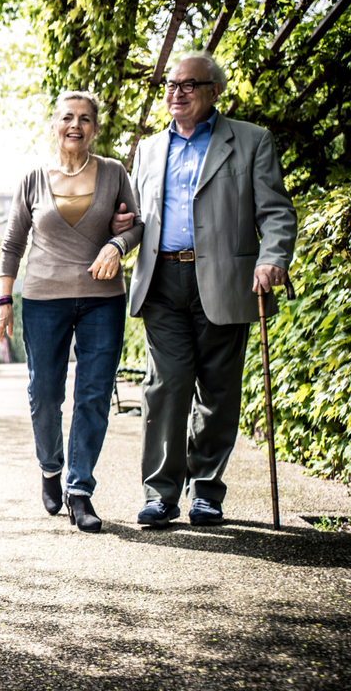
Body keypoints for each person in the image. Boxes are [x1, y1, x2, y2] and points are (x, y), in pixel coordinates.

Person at [129, 53, 297, 528]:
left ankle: (205, 490)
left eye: (189, 84)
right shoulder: (147, 149)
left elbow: (276, 212)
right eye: (171, 84)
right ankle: (160, 494)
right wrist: (118, 231)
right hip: (162, 280)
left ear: (213, 91)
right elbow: (137, 216)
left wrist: (272, 257)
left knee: (218, 391)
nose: (176, 92)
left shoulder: (251, 140)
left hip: (226, 279)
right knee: (166, 387)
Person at [0, 91, 143, 533]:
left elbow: (136, 224)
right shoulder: (33, 179)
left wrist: (117, 244)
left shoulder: (114, 172)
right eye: (67, 117)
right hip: (43, 298)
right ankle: (50, 468)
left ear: (95, 128)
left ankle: (80, 491)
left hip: (103, 298)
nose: (75, 125)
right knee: (44, 392)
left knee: (94, 394)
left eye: (85, 119)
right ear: (54, 125)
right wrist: (3, 301)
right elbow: (13, 243)